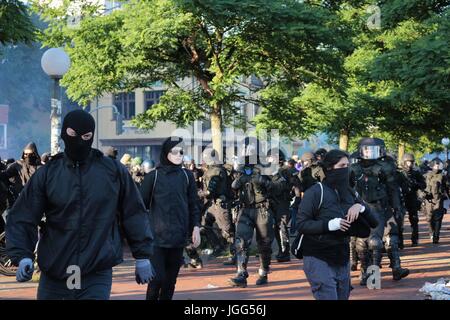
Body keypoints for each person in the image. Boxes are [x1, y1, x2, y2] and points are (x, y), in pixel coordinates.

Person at [6, 110, 154, 300]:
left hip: (95, 271)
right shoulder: (48, 173)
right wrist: (23, 255)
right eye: (73, 135)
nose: (79, 142)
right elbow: (23, 215)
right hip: (55, 270)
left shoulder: (113, 171)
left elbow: (133, 211)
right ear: (63, 135)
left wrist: (142, 255)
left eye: (86, 136)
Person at [298, 149, 376, 300]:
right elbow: (302, 224)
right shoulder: (315, 192)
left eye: (347, 165)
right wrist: (329, 225)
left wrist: (360, 207)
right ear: (329, 168)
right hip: (317, 256)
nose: (346, 170)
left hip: (341, 256)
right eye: (341, 166)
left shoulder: (349, 192)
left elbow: (374, 222)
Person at [140, 136, 201, 300]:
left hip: (178, 238)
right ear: (166, 153)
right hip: (156, 240)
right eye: (175, 151)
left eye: (181, 151)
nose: (179, 155)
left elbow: (193, 205)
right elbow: (139, 207)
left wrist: (196, 227)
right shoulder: (153, 177)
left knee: (170, 282)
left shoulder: (187, 176)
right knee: (156, 279)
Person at [350, 138, 409, 285]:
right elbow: (347, 189)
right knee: (362, 242)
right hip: (362, 208)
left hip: (382, 207)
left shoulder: (385, 167)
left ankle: (396, 268)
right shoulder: (354, 168)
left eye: (373, 150)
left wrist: (397, 207)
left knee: (391, 238)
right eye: (367, 150)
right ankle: (366, 273)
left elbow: (393, 188)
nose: (369, 153)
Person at [228, 139, 278, 287]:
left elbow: (280, 186)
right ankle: (241, 274)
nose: (246, 150)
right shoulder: (239, 167)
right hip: (245, 209)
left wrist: (264, 181)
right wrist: (236, 181)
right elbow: (231, 187)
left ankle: (263, 272)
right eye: (244, 147)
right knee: (241, 242)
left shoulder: (267, 166)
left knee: (265, 244)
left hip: (262, 209)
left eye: (249, 148)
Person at [266, 148, 293, 262]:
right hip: (273, 202)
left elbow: (286, 186)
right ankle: (279, 251)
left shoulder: (285, 171)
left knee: (281, 226)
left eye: (271, 157)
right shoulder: (269, 170)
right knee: (274, 227)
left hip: (282, 202)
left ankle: (285, 251)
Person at [0, 142, 42, 207]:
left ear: (34, 154)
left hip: (37, 198)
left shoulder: (41, 168)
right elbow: (6, 174)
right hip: (21, 196)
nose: (28, 156)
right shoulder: (18, 164)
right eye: (26, 154)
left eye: (30, 154)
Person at [397, 153, 426, 246]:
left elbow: (423, 185)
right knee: (399, 219)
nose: (409, 164)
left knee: (414, 219)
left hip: (412, 197)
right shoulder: (399, 173)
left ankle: (415, 239)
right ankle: (400, 241)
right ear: (404, 162)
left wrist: (416, 184)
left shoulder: (416, 173)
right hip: (401, 197)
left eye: (411, 162)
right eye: (408, 162)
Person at [423, 158, 449, 244]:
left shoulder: (443, 176)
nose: (437, 166)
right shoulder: (426, 175)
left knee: (438, 218)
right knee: (429, 218)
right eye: (435, 165)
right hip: (428, 199)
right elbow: (421, 186)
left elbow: (447, 187)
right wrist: (422, 195)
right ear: (432, 166)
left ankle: (436, 236)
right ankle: (432, 232)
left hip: (438, 199)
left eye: (438, 165)